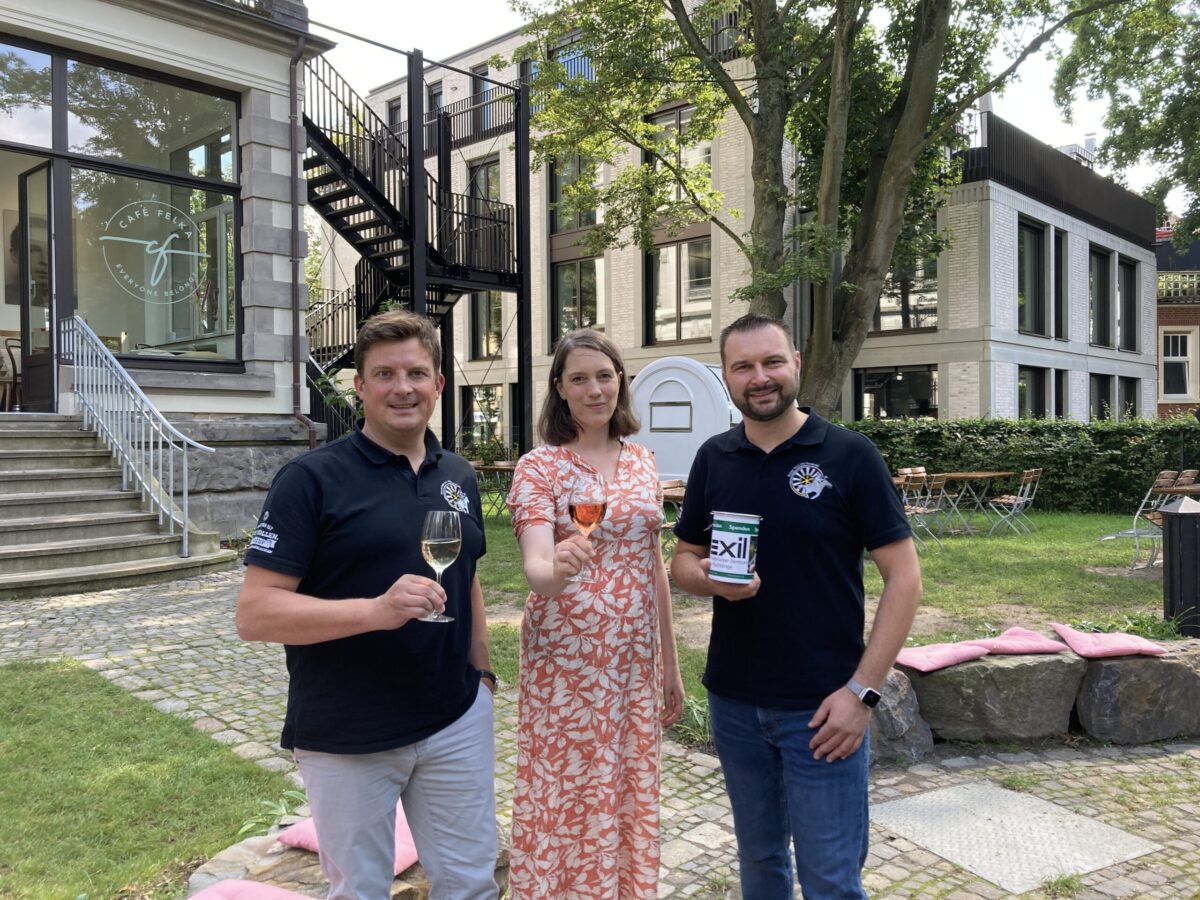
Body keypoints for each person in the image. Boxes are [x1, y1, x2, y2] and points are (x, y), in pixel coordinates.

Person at [236, 309, 498, 900]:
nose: (402, 388)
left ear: (439, 384)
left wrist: (481, 676)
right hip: (348, 733)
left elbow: (469, 577)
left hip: (454, 721)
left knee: (471, 882)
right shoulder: (311, 480)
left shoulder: (456, 472)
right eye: (384, 374)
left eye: (415, 373)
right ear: (359, 386)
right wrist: (376, 611)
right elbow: (255, 614)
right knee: (361, 890)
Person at [670, 313, 921, 899]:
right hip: (734, 702)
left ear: (797, 365)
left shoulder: (850, 456)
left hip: (824, 708)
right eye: (743, 367)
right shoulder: (714, 458)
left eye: (771, 362)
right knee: (759, 865)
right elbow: (682, 560)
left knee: (830, 880)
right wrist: (710, 582)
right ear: (727, 378)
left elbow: (905, 580)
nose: (760, 377)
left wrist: (863, 693)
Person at [505, 328, 685, 898]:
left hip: (632, 656)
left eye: (604, 375)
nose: (594, 389)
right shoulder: (540, 467)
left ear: (621, 382)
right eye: (578, 378)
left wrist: (670, 666)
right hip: (567, 657)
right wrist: (556, 567)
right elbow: (535, 566)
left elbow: (652, 562)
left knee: (626, 779)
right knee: (566, 782)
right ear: (559, 389)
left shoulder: (643, 462)